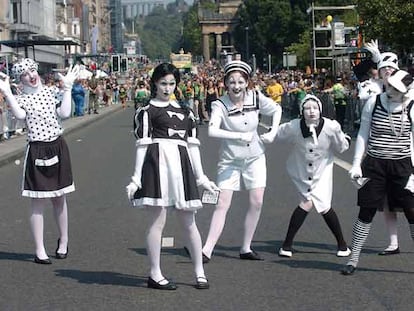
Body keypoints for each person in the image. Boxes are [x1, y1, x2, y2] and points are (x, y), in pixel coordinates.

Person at [126, 63, 218, 290]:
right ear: (154, 84)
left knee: (189, 222)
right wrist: (136, 178)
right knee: (158, 221)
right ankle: (155, 273)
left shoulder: (187, 112)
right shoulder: (146, 112)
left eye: (171, 84)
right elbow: (142, 145)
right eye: (163, 83)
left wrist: (202, 177)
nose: (167, 88)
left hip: (182, 166)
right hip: (157, 165)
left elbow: (193, 146)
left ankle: (199, 271)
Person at [0, 58, 79, 264]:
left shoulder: (51, 92)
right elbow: (18, 116)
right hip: (37, 149)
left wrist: (68, 88)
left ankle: (64, 241)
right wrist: (7, 93)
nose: (31, 76)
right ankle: (39, 249)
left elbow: (65, 113)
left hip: (57, 145)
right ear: (21, 79)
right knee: (38, 201)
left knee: (60, 197)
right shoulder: (23, 98)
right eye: (25, 74)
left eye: (32, 71)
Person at [201, 60, 282, 262]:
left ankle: (246, 247)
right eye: (232, 82)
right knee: (222, 203)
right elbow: (212, 130)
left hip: (255, 157)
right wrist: (237, 136)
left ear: (247, 82)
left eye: (240, 81)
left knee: (257, 201)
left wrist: (273, 131)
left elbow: (276, 110)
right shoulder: (219, 104)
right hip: (230, 160)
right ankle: (206, 250)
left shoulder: (255, 97)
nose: (236, 86)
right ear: (225, 84)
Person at [341, 69, 414, 275]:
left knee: (411, 211)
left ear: (406, 91)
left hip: (402, 164)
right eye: (389, 85)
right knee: (366, 210)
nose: (390, 90)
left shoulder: (411, 106)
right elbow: (363, 132)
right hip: (375, 163)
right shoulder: (374, 102)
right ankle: (353, 258)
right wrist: (356, 163)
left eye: (396, 88)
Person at [275, 94, 351, 258]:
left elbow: (341, 146)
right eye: (307, 108)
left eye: (315, 108)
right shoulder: (294, 126)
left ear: (320, 110)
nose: (311, 111)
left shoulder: (331, 127)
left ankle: (341, 245)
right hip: (301, 170)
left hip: (322, 170)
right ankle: (287, 245)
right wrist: (267, 134)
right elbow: (278, 133)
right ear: (302, 111)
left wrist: (347, 140)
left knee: (320, 204)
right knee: (309, 203)